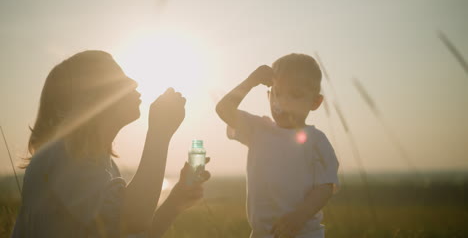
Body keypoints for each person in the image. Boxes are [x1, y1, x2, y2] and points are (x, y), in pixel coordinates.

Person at [12, 50, 210, 238]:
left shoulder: (102, 164)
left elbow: (125, 232)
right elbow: (132, 219)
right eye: (119, 79)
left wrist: (174, 203)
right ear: (90, 96)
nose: (133, 82)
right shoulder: (60, 156)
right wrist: (159, 134)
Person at [216, 53, 339, 238]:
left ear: (315, 102)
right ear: (268, 96)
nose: (282, 101)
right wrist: (251, 81)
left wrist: (299, 216)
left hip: (303, 233)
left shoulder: (316, 141)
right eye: (277, 93)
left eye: (295, 95)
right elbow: (223, 109)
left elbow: (325, 187)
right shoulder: (258, 130)